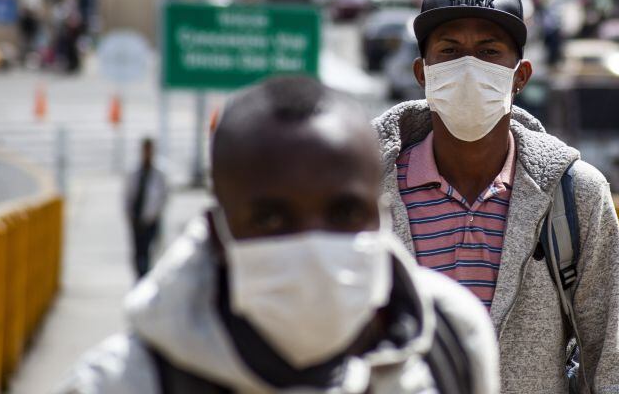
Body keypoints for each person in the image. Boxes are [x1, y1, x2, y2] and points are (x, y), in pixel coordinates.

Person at [61, 76, 499, 394]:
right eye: (271, 220)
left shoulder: (450, 342)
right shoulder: (120, 383)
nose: (313, 248)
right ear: (219, 235)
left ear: (380, 218)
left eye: (344, 212)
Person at [374, 0, 619, 393]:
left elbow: (616, 362)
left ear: (520, 76)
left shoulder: (573, 195)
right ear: (422, 73)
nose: (468, 67)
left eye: (488, 51)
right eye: (449, 50)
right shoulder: (367, 192)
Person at [124, 138, 169, 278]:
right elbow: (128, 195)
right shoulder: (134, 172)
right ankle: (140, 276)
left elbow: (164, 196)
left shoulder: (159, 173)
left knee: (151, 250)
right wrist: (129, 215)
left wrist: (154, 214)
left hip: (151, 219)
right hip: (136, 218)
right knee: (138, 251)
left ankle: (147, 277)